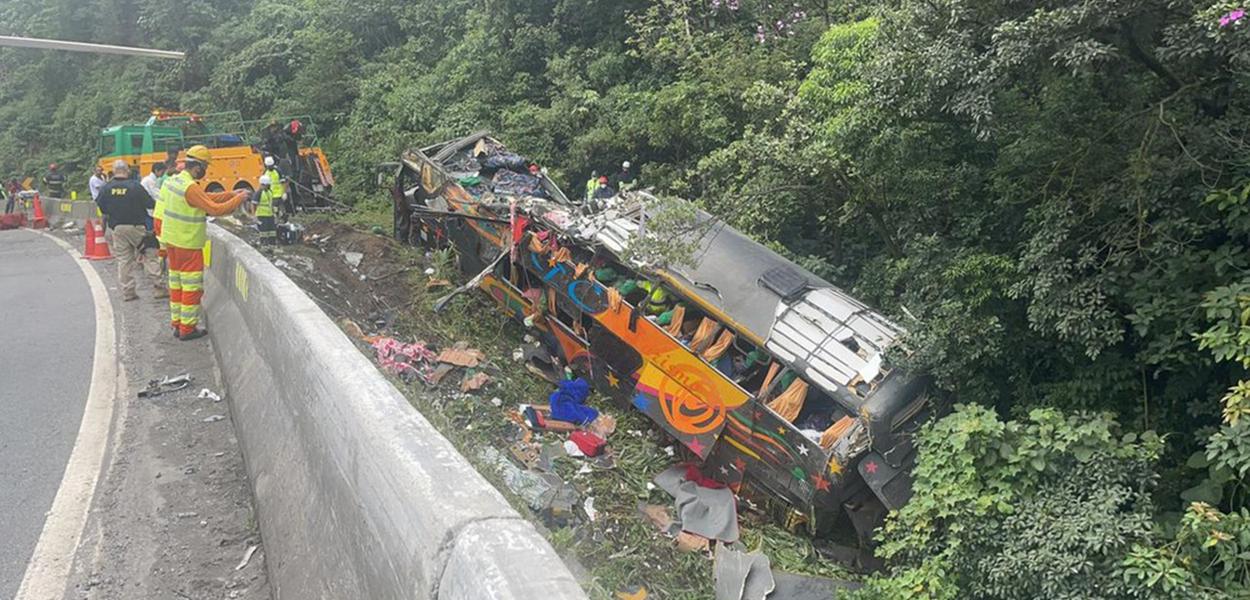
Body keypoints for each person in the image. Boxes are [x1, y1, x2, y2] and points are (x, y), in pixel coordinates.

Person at [161, 145, 249, 340]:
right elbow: (215, 210)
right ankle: (187, 329)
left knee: (177, 285)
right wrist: (240, 199)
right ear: (197, 167)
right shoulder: (190, 187)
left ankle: (177, 324)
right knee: (192, 287)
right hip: (188, 243)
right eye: (205, 167)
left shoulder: (174, 181)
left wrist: (230, 194)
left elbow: (205, 199)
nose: (206, 171)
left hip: (172, 242)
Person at [97, 160, 164, 301]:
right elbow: (150, 203)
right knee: (149, 253)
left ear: (114, 171)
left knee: (124, 260)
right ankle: (159, 287)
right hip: (137, 227)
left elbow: (102, 207)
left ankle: (128, 292)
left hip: (118, 228)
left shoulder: (106, 188)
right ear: (127, 171)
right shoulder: (135, 187)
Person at [140, 163, 166, 230]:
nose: (163, 174)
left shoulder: (148, 179)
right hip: (149, 210)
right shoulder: (150, 181)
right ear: (156, 170)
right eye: (162, 172)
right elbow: (157, 195)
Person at [253, 174, 277, 244]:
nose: (268, 186)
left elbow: (271, 204)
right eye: (267, 185)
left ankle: (272, 246)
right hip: (262, 215)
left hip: (270, 215)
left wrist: (274, 213)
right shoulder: (258, 193)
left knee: (272, 231)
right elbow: (253, 204)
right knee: (264, 232)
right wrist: (254, 215)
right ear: (263, 184)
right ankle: (264, 246)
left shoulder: (270, 192)